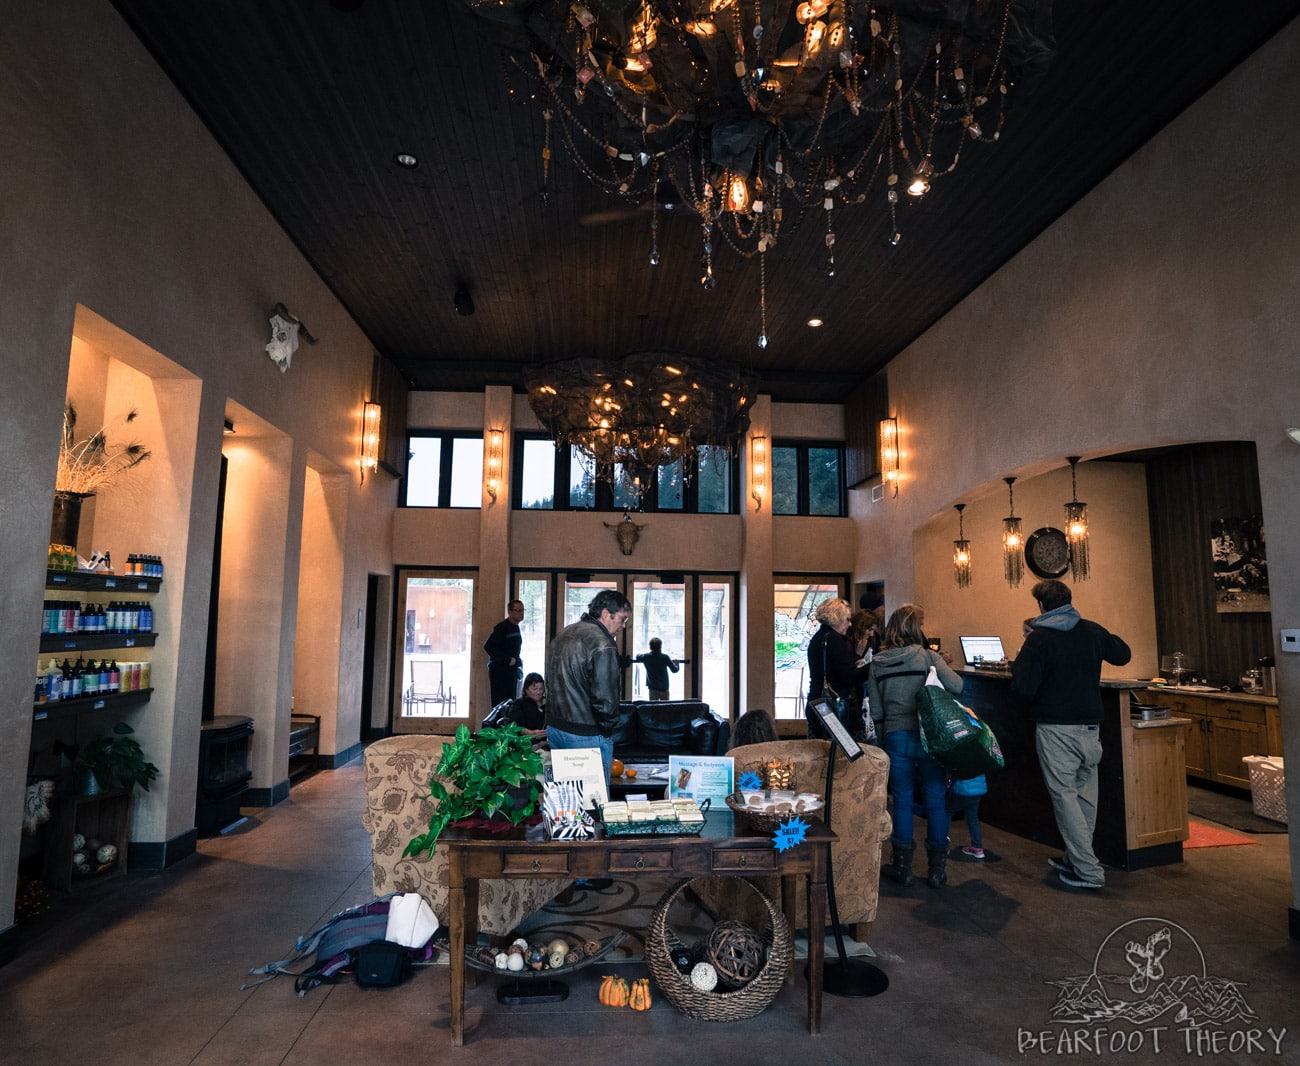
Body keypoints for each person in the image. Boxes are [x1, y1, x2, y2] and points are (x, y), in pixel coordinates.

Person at [1011, 579, 1131, 891]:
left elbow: (1022, 688)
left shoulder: (1040, 639)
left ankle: (1088, 871)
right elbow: (1123, 654)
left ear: (1041, 606)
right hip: (1091, 727)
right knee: (1084, 796)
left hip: (1056, 728)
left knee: (1065, 798)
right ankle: (1075, 858)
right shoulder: (1092, 630)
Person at [867, 603, 964, 888]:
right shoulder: (927, 657)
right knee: (935, 797)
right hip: (928, 736)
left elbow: (876, 710)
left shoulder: (877, 663)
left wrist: (885, 739)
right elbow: (957, 686)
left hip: (896, 737)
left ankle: (902, 867)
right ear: (915, 629)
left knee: (902, 800)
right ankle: (936, 870)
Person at [545, 589, 631, 781]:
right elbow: (606, 699)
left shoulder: (564, 634)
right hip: (586, 734)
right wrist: (606, 731)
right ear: (606, 614)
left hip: (555, 729)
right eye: (622, 619)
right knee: (594, 804)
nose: (623, 626)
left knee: (567, 802)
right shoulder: (603, 643)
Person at [805, 597, 871, 740]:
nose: (849, 624)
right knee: (841, 756)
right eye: (847, 619)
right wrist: (872, 666)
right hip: (834, 708)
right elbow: (847, 678)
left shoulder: (817, 639)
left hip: (817, 703)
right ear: (837, 619)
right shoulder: (834, 640)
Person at [483, 599, 524, 706]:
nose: (520, 613)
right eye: (517, 610)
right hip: (500, 673)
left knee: (510, 703)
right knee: (500, 705)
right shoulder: (502, 628)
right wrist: (508, 660)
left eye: (522, 610)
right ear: (509, 612)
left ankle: (507, 723)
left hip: (511, 671)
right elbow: (488, 646)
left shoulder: (515, 627)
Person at [950, 774, 987, 859]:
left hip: (962, 789)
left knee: (947, 812)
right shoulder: (983, 759)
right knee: (973, 818)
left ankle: (942, 842)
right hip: (978, 790)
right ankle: (977, 848)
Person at [497, 672, 546, 736]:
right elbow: (516, 726)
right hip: (526, 740)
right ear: (526, 689)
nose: (539, 692)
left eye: (541, 689)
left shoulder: (545, 705)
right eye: (535, 689)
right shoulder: (519, 704)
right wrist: (531, 733)